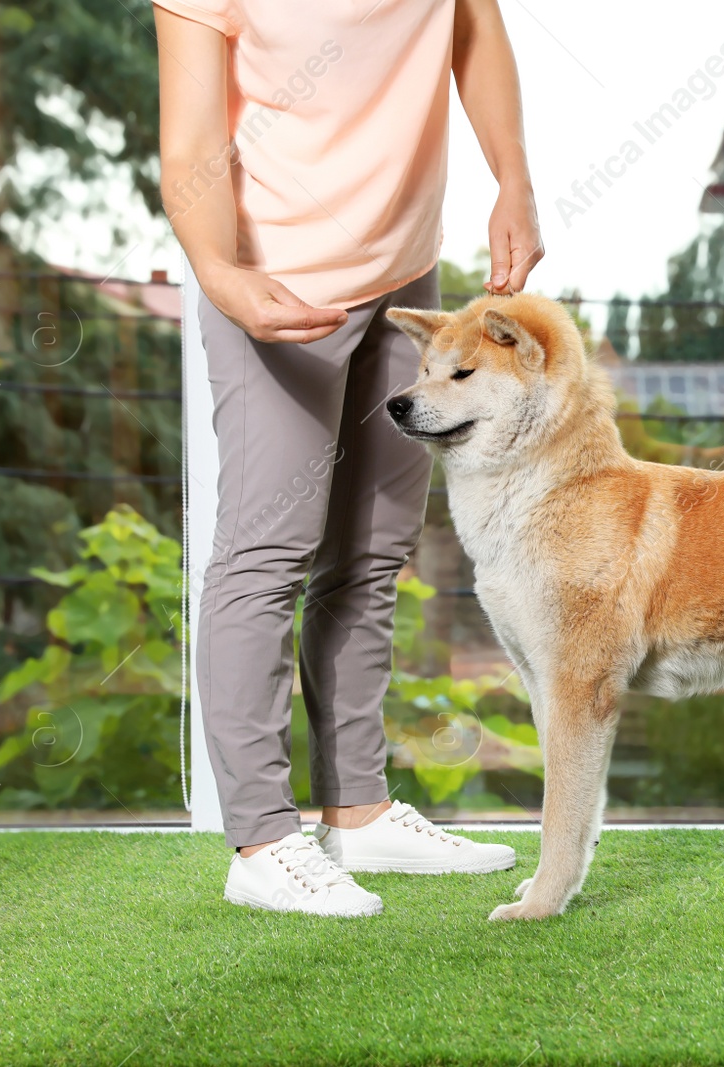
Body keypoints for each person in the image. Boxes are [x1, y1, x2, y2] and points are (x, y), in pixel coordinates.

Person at [154, 0, 542, 916]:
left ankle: (357, 809)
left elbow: (472, 29)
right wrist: (221, 271)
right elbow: (190, 134)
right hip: (275, 278)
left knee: (373, 550)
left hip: (402, 270)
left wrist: (513, 175)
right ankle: (260, 840)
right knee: (265, 555)